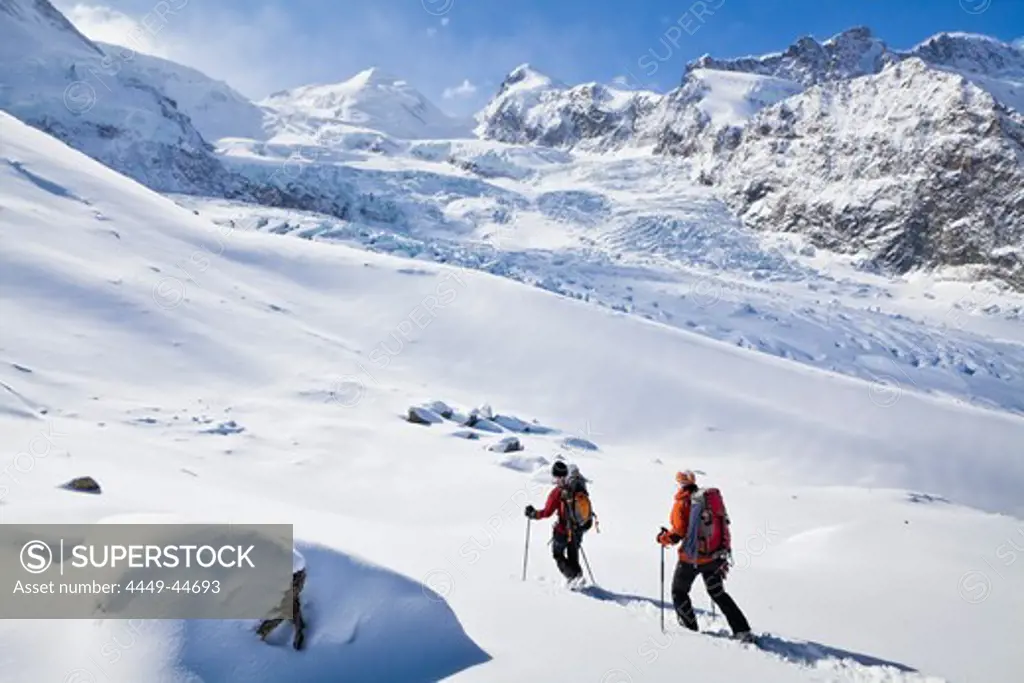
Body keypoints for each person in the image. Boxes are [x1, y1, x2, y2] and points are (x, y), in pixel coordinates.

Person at [657, 470, 753, 641]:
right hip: (714, 557)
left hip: (690, 559)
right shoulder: (708, 501)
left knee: (679, 592)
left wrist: (663, 538)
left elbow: (678, 532)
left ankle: (689, 629)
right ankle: (742, 629)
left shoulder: (682, 503)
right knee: (718, 593)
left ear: (679, 483)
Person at [525, 460, 586, 585]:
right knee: (573, 556)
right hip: (578, 529)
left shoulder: (557, 492)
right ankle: (577, 577)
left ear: (557, 476)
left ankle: (573, 578)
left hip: (563, 530)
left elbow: (547, 512)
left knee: (557, 554)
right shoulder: (577, 488)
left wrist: (533, 514)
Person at [256, 547, 307, 650]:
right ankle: (300, 627)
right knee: (292, 601)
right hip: (294, 573)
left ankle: (261, 633)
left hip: (295, 575)